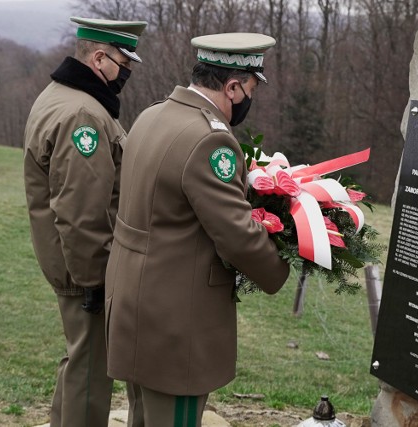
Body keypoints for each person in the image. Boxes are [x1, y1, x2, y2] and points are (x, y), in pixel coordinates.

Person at [105, 32, 290, 426]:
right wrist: (279, 267)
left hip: (133, 307)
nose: (248, 100)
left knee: (142, 417)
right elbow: (237, 235)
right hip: (176, 323)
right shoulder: (210, 141)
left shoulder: (152, 115)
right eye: (250, 89)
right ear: (233, 86)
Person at [23, 16, 147, 427]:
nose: (127, 72)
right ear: (99, 59)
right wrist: (95, 281)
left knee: (80, 361)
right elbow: (81, 211)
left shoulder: (65, 96)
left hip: (74, 263)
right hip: (84, 269)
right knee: (91, 374)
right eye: (124, 63)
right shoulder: (83, 116)